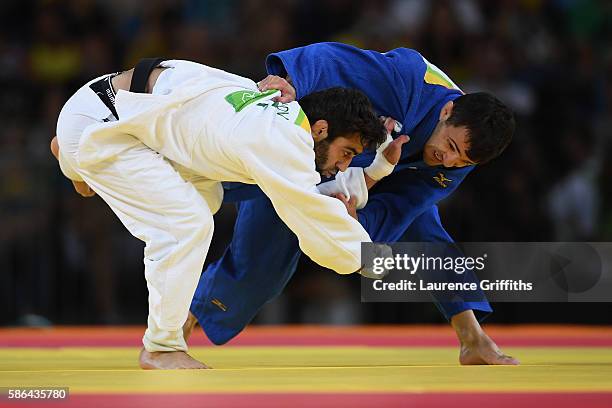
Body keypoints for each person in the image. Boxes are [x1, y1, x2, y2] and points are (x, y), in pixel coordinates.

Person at [53, 58, 399, 369]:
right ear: (321, 129)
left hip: (111, 104)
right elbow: (312, 213)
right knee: (186, 224)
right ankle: (161, 347)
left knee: (206, 196)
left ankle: (79, 163)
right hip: (106, 122)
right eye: (347, 152)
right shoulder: (282, 141)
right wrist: (371, 259)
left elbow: (314, 188)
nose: (344, 164)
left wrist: (378, 168)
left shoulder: (271, 107)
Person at [186, 43, 519, 365]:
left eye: (460, 161)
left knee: (425, 230)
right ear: (447, 111)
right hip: (310, 152)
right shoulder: (406, 80)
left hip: (370, 172)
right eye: (449, 145)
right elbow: (330, 58)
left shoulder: (464, 151)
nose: (446, 160)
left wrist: (357, 225)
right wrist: (292, 82)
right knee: (261, 264)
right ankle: (176, 329)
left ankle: (472, 338)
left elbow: (402, 208)